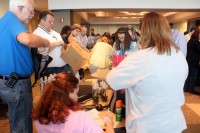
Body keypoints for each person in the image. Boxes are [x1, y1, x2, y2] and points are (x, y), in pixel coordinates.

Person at [106, 12, 188, 133]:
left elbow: (111, 80)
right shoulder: (179, 55)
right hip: (174, 123)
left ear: (145, 31)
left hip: (147, 126)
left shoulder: (140, 57)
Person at [0, 0, 50, 132]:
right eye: (31, 11)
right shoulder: (12, 21)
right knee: (22, 126)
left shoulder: (4, 21)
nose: (32, 15)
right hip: (17, 85)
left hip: (9, 82)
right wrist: (46, 42)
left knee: (17, 121)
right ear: (20, 8)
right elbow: (27, 39)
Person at [32, 72, 114, 133]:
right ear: (68, 93)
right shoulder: (80, 118)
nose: (77, 97)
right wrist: (109, 123)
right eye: (76, 93)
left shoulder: (39, 117)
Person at [33, 11, 74, 76]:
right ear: (42, 21)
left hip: (64, 67)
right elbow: (41, 51)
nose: (52, 23)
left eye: (53, 21)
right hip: (50, 70)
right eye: (50, 21)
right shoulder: (36, 34)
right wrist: (57, 43)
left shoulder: (55, 33)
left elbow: (62, 47)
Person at [111, 27, 138, 118]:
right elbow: (112, 55)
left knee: (129, 96)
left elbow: (137, 59)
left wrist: (128, 57)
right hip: (119, 72)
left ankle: (129, 115)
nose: (121, 40)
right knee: (119, 96)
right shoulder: (116, 44)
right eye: (119, 38)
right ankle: (120, 115)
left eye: (123, 38)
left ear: (126, 37)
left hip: (129, 73)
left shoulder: (133, 44)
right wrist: (113, 56)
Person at [184, 29, 200, 94]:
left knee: (188, 76)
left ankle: (186, 88)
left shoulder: (190, 41)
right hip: (194, 61)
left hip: (188, 60)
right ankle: (191, 90)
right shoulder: (196, 41)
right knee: (193, 76)